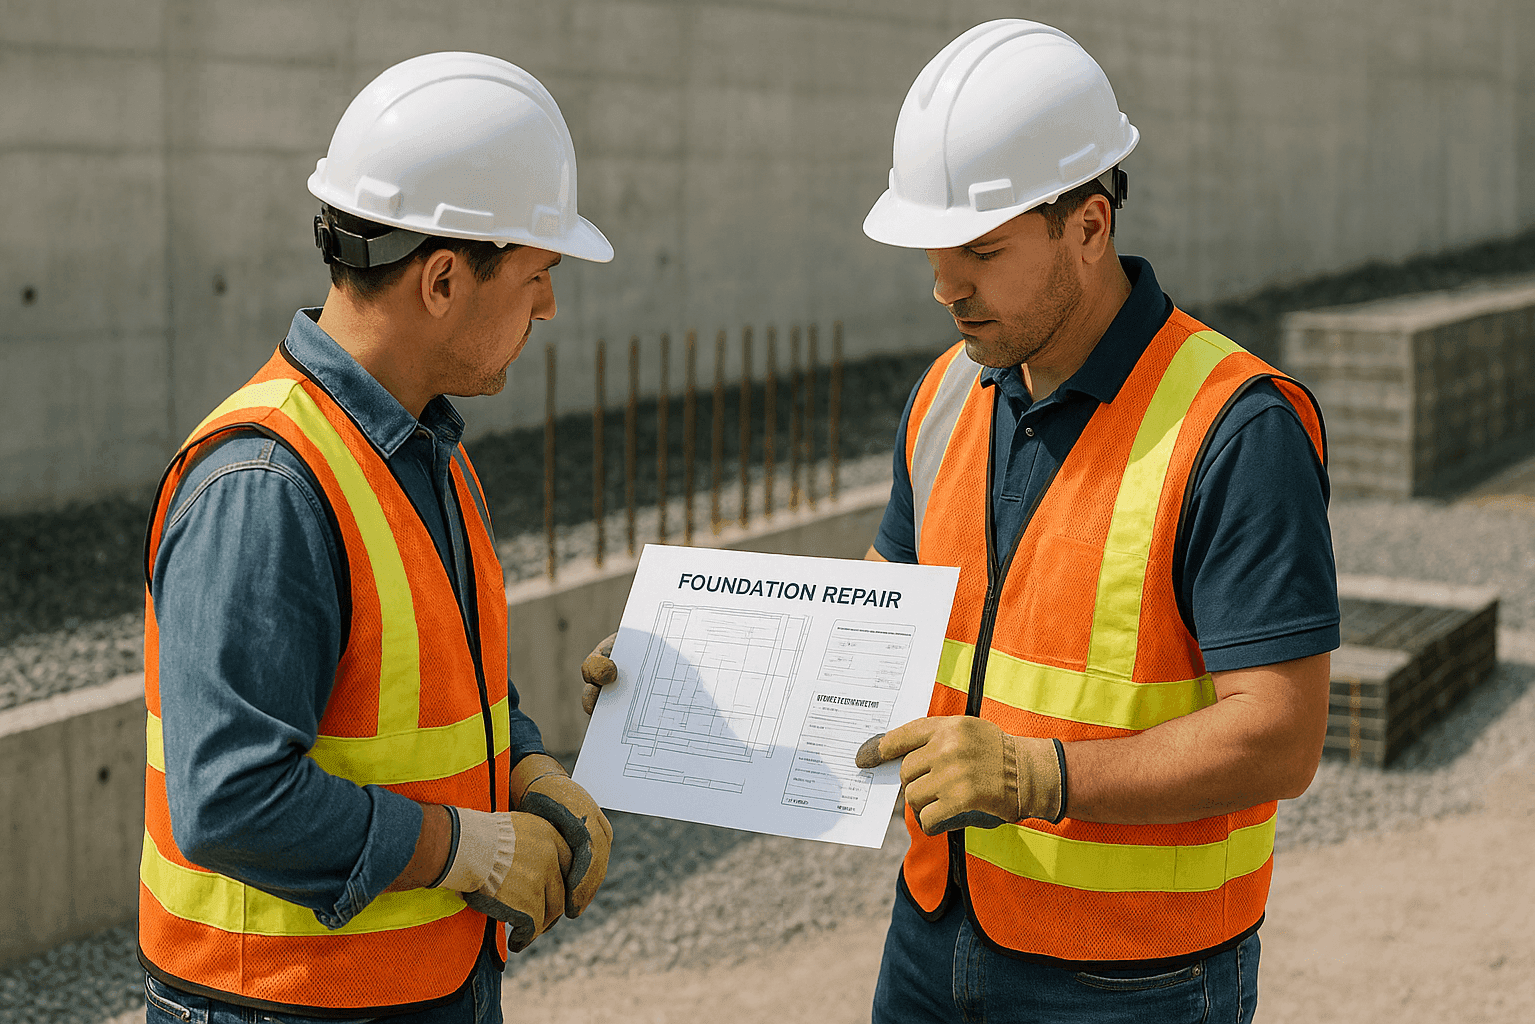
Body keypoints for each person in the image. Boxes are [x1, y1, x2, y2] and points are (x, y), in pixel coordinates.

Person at [581, 20, 1338, 1024]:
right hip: (937, 932)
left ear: (1090, 226)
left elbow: (1281, 736)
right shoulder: (948, 393)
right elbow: (871, 639)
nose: (946, 285)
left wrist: (1038, 773)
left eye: (981, 249)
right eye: (934, 249)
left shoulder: (1233, 428)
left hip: (1138, 977)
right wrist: (688, 685)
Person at [138, 52, 614, 1024]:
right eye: (538, 274)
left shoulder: (420, 445)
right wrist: (471, 848)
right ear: (443, 278)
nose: (549, 307)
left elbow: (442, 690)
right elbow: (235, 797)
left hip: (419, 986)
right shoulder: (266, 484)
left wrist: (527, 766)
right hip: (280, 1006)